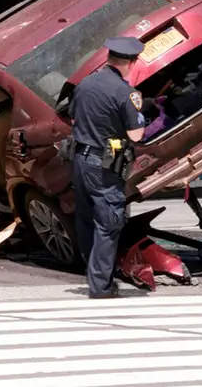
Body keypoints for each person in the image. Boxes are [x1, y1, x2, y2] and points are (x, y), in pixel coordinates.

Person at [69, 37, 146, 299]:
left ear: (109, 58)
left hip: (80, 159)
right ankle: (101, 286)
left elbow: (73, 117)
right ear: (132, 63)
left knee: (85, 219)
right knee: (108, 222)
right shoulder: (126, 93)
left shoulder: (85, 84)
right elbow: (136, 135)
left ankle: (92, 273)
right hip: (104, 165)